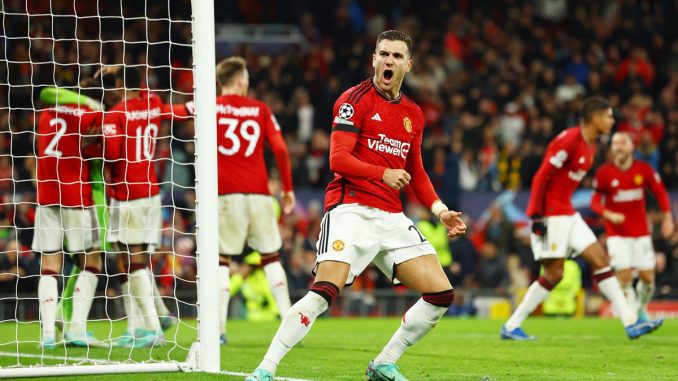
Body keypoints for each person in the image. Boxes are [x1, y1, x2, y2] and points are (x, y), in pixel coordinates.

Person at [246, 30, 467, 381]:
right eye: (383, 54)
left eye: (396, 56)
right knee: (323, 292)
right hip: (350, 209)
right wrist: (382, 173)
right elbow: (338, 159)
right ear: (374, 59)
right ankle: (265, 369)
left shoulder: (413, 114)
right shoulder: (354, 100)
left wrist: (440, 211)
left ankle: (383, 363)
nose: (389, 61)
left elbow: (416, 171)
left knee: (441, 293)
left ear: (408, 65)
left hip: (391, 216)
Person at [500, 97, 664, 341]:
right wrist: (535, 216)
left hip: (567, 213)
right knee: (554, 274)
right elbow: (542, 176)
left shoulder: (591, 146)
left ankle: (630, 322)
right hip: (550, 215)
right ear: (594, 117)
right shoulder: (569, 140)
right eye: (608, 116)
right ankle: (512, 326)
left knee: (600, 259)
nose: (612, 121)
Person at [171, 57, 295, 345]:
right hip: (261, 195)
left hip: (225, 195)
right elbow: (280, 149)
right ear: (240, 81)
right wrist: (287, 189)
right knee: (271, 257)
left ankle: (220, 330)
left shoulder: (209, 105)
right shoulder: (260, 109)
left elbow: (175, 112)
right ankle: (290, 325)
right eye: (247, 78)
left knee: (221, 261)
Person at [33, 80, 107, 349]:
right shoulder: (88, 114)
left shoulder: (44, 115)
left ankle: (48, 335)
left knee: (50, 266)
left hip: (46, 198)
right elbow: (101, 140)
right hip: (76, 198)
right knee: (92, 260)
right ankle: (76, 328)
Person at [99, 66, 166, 347]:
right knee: (130, 259)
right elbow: (162, 104)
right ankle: (143, 322)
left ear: (117, 85)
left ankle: (152, 329)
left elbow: (112, 156)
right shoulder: (154, 104)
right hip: (151, 193)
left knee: (132, 259)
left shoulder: (116, 115)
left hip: (127, 196)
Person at [591, 132, 674, 320]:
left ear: (631, 147)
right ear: (611, 148)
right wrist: (609, 214)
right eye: (615, 143)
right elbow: (595, 201)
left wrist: (668, 218)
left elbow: (661, 193)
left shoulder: (643, 170)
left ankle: (640, 308)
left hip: (640, 234)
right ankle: (632, 317)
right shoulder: (604, 173)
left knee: (647, 278)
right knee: (625, 276)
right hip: (617, 235)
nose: (619, 146)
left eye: (623, 142)